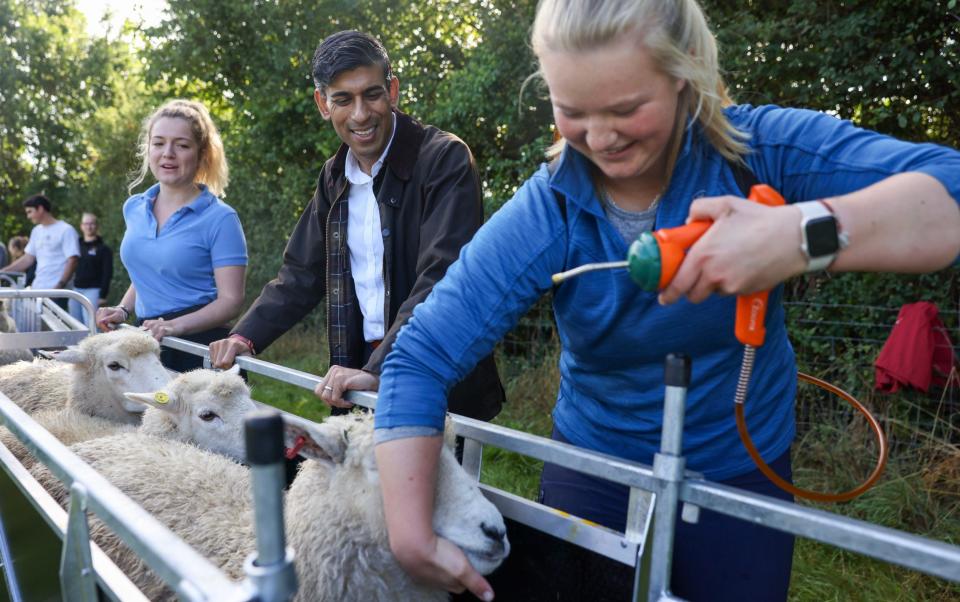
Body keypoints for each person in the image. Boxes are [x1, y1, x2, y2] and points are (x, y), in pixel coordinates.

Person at [371, 1, 960, 601]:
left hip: (739, 470)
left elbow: (950, 190)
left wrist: (802, 234)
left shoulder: (761, 151)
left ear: (685, 75)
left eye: (627, 108)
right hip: (595, 469)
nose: (599, 138)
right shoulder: (549, 210)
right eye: (571, 111)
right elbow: (421, 355)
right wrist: (410, 528)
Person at [208, 30, 503, 421]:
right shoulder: (334, 176)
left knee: (435, 483)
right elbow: (300, 274)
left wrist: (381, 369)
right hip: (360, 367)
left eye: (372, 94)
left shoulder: (444, 159)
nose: (361, 114)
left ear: (393, 91)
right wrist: (245, 336)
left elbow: (442, 278)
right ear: (323, 104)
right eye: (343, 99)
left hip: (437, 366)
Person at [96, 99, 247, 372]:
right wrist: (122, 310)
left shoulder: (221, 218)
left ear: (202, 154)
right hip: (148, 339)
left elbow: (231, 301)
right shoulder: (134, 207)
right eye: (159, 143)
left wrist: (174, 326)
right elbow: (147, 272)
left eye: (182, 145)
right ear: (148, 149)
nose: (168, 153)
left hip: (200, 347)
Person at [1, 195, 79, 309]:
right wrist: (4, 271)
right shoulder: (36, 231)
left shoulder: (66, 230)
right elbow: (28, 259)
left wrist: (59, 287)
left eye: (30, 212)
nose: (28, 216)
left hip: (58, 294)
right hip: (38, 290)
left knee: (57, 326)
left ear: (40, 209)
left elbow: (73, 260)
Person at [69, 212, 113, 325]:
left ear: (97, 226)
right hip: (75, 290)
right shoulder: (75, 245)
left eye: (92, 223)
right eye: (86, 223)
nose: (89, 226)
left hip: (93, 291)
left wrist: (103, 295)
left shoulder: (103, 249)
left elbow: (107, 273)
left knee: (91, 325)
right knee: (74, 325)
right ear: (81, 226)